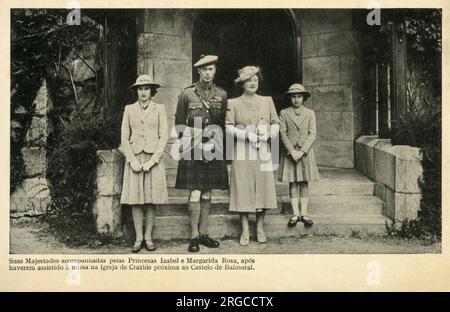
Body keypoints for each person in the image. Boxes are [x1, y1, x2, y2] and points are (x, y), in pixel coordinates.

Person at [174, 55, 229, 252]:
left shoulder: (221, 95)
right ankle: (194, 236)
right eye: (204, 69)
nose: (208, 73)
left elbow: (222, 124)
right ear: (198, 71)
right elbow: (179, 124)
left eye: (211, 69)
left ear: (215, 71)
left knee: (207, 193)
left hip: (213, 146)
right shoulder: (187, 94)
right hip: (193, 146)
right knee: (195, 192)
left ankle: (204, 234)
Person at [225, 66, 279, 246]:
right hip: (242, 151)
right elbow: (228, 126)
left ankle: (260, 227)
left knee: (262, 188)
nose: (253, 83)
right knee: (243, 188)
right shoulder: (234, 103)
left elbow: (276, 123)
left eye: (255, 79)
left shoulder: (267, 101)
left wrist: (268, 134)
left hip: (262, 150)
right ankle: (245, 229)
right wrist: (246, 134)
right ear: (242, 83)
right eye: (249, 80)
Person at [120, 74, 169, 253]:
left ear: (152, 91)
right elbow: (124, 137)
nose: (143, 92)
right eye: (140, 89)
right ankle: (138, 238)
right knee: (136, 200)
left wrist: (153, 161)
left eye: (146, 88)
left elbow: (163, 136)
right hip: (134, 158)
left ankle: (148, 237)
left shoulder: (159, 109)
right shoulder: (129, 109)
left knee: (150, 199)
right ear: (136, 91)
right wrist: (131, 160)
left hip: (152, 160)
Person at [278, 83, 320, 228]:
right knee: (293, 181)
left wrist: (302, 151)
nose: (296, 100)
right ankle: (295, 214)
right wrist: (291, 151)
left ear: (304, 98)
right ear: (290, 98)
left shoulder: (310, 113)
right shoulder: (284, 113)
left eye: (299, 97)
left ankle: (304, 213)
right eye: (293, 97)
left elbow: (312, 133)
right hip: (291, 153)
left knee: (304, 181)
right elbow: (282, 133)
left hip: (305, 153)